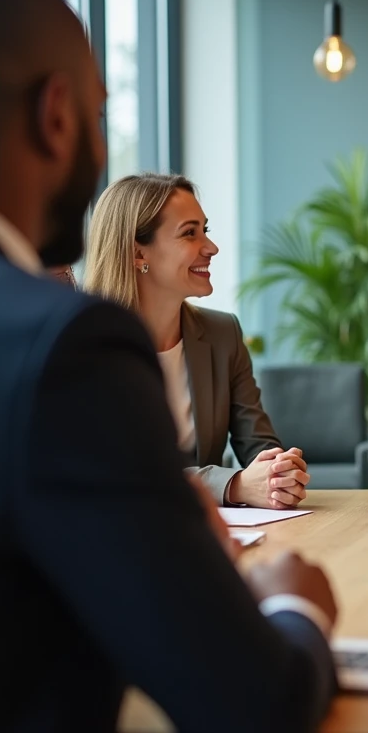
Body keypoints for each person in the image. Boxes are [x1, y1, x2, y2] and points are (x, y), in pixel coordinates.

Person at [0, 0, 336, 732]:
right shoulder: (59, 343)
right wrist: (296, 609)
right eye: (100, 115)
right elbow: (251, 703)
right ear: (56, 115)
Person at [85, 173, 308, 509]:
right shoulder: (87, 346)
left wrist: (278, 473)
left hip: (205, 529)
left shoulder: (223, 333)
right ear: (137, 252)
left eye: (205, 230)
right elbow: (121, 468)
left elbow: (258, 444)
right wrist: (233, 485)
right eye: (189, 233)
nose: (211, 247)